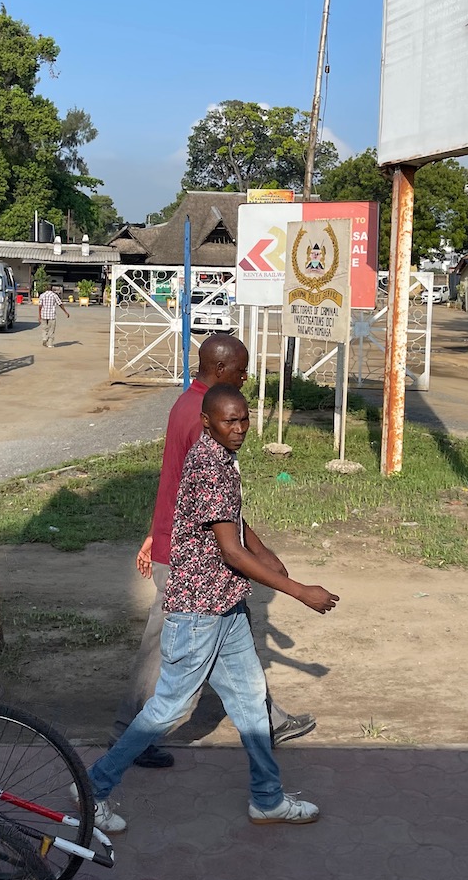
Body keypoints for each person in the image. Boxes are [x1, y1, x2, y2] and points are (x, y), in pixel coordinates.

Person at [87, 384, 339, 833]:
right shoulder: (208, 466)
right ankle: (93, 789)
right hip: (199, 612)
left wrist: (265, 553)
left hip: (226, 605)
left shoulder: (220, 456)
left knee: (249, 702)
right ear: (207, 422)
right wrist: (299, 591)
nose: (240, 428)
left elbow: (234, 519)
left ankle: (267, 798)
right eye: (229, 421)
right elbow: (230, 552)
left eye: (244, 419)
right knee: (167, 709)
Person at [111, 333, 314, 771]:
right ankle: (128, 739)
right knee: (167, 653)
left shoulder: (193, 406)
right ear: (220, 370)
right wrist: (288, 582)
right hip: (191, 556)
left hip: (182, 544)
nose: (245, 378)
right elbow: (212, 504)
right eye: (241, 371)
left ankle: (267, 722)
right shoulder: (201, 417)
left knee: (231, 637)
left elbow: (183, 488)